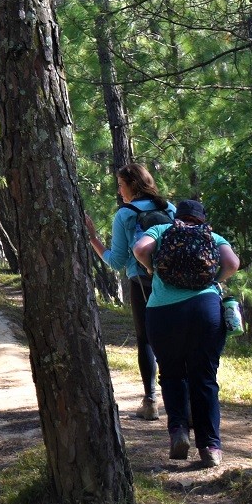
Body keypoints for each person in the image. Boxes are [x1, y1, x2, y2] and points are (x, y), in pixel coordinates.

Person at [132, 198, 240, 467]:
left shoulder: (161, 231)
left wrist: (151, 268)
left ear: (177, 217)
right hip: (205, 309)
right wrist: (214, 279)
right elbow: (233, 264)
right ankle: (211, 447)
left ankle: (179, 431)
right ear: (202, 219)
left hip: (163, 312)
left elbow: (139, 248)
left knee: (171, 373)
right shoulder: (212, 236)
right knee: (204, 377)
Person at [85, 163, 174, 421]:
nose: (119, 190)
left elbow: (117, 261)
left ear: (133, 185)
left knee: (146, 339)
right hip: (175, 283)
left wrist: (93, 238)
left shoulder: (125, 215)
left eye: (121, 185)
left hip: (144, 285)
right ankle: (184, 400)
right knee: (175, 340)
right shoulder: (169, 208)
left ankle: (151, 401)